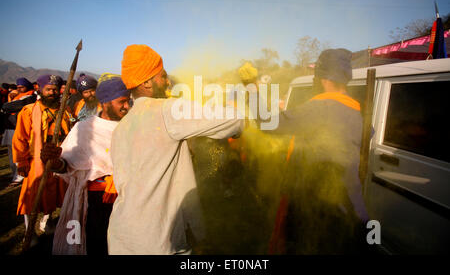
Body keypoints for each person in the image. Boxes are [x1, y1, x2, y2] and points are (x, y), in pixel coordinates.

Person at [107, 44, 243, 255]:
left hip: (121, 237)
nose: (168, 82)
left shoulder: (121, 128)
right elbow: (232, 120)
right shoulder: (167, 109)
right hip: (159, 240)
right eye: (163, 76)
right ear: (146, 82)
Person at [267, 48, 370, 254]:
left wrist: (253, 95)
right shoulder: (357, 110)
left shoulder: (319, 107)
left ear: (323, 79)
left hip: (320, 207)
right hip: (354, 207)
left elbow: (270, 124)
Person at [41, 74, 131, 255]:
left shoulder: (134, 126)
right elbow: (67, 166)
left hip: (129, 199)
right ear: (105, 103)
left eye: (128, 101)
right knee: (97, 245)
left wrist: (121, 178)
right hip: (96, 203)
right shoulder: (84, 129)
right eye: (122, 102)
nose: (127, 106)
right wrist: (53, 162)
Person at [13, 75, 70, 236]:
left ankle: (48, 221)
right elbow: (20, 138)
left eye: (55, 89)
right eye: (48, 89)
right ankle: (29, 231)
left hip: (58, 160)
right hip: (35, 162)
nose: (52, 92)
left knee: (54, 195)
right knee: (30, 197)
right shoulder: (28, 111)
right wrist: (21, 161)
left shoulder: (64, 110)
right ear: (40, 89)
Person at [1, 78, 36, 188]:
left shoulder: (30, 96)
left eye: (22, 87)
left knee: (19, 152)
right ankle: (13, 174)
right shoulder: (16, 96)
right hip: (10, 127)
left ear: (27, 87)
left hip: (18, 128)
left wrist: (6, 106)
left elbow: (15, 105)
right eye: (18, 87)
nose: (19, 89)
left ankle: (19, 176)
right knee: (11, 153)